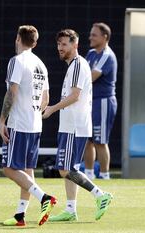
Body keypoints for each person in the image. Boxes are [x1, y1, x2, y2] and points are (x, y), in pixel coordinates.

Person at [42, 29, 113, 222]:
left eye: (64, 44)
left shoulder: (77, 65)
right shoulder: (75, 65)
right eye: (58, 44)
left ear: (75, 45)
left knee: (65, 169)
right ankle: (71, 210)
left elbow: (75, 96)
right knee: (69, 168)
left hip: (74, 126)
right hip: (70, 126)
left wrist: (51, 109)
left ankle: (100, 194)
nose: (60, 48)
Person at [0, 25, 57, 227]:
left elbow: (11, 92)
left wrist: (2, 120)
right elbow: (46, 99)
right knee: (27, 170)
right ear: (35, 42)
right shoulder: (41, 64)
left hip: (19, 123)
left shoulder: (17, 61)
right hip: (35, 124)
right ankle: (20, 216)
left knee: (8, 168)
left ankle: (44, 198)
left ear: (17, 38)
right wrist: (34, 113)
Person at [83, 22, 118, 180]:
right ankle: (89, 175)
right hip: (90, 102)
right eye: (91, 34)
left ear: (105, 37)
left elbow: (90, 77)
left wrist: (75, 85)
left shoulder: (107, 55)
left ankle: (105, 176)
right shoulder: (91, 54)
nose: (90, 37)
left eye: (94, 35)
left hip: (103, 102)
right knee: (87, 140)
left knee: (100, 141)